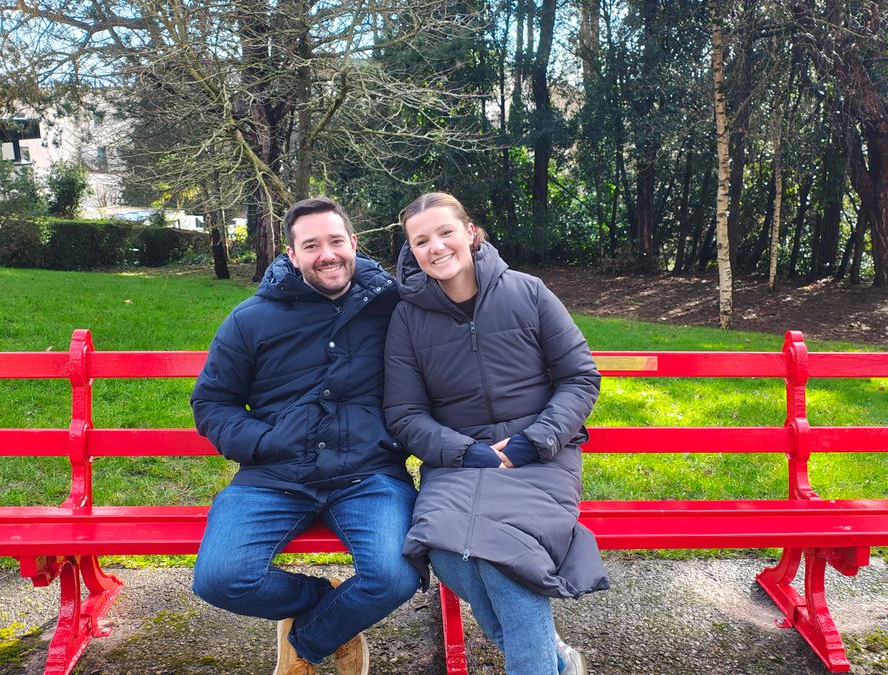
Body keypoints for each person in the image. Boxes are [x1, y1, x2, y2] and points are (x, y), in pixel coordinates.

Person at [191, 197, 419, 675]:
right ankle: (331, 608)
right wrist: (264, 442)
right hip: (274, 475)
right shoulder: (251, 318)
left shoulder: (394, 306)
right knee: (220, 579)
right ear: (291, 255)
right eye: (311, 245)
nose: (327, 254)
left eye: (336, 241)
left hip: (369, 474)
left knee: (395, 577)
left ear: (353, 244)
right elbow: (212, 403)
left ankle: (309, 638)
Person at [384, 192, 609, 675]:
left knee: (505, 560)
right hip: (459, 461)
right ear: (411, 251)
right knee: (448, 552)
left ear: (470, 232)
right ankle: (553, 660)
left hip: (541, 457)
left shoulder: (528, 292)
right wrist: (470, 452)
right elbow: (404, 413)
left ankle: (543, 664)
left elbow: (579, 376)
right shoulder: (407, 317)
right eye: (421, 241)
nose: (436, 247)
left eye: (445, 232)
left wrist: (537, 439)